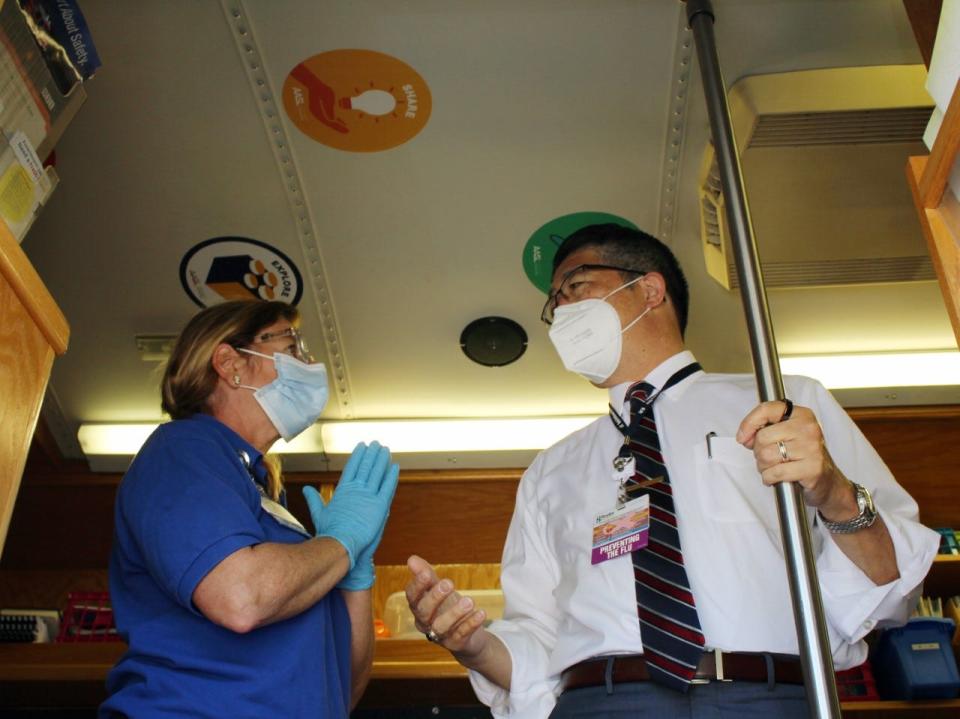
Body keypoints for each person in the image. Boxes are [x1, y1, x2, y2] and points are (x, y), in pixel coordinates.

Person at [404, 223, 939, 718]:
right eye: (554, 301)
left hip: (764, 697)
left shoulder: (787, 404)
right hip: (599, 702)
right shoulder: (549, 471)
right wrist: (471, 644)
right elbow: (536, 642)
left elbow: (892, 588)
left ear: (650, 290)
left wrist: (834, 493)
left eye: (577, 286)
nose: (561, 309)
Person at [101, 299, 399, 718]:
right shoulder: (184, 451)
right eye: (292, 346)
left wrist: (354, 574)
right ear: (229, 363)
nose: (309, 363)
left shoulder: (264, 496)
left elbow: (343, 687)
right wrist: (341, 541)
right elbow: (239, 598)